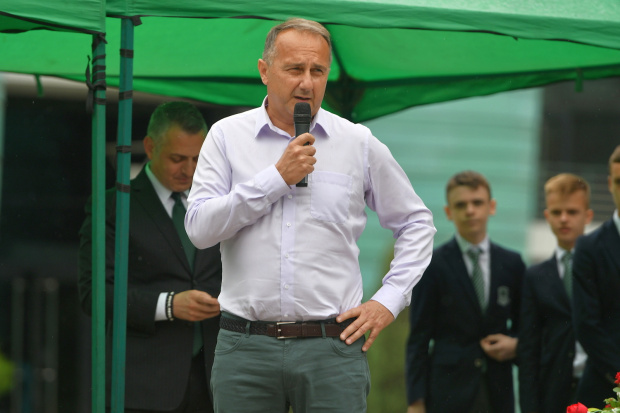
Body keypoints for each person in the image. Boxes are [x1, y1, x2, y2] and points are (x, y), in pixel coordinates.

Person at [184, 18, 436, 413]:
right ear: (265, 71)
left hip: (331, 349)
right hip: (245, 349)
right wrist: (276, 179)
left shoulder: (356, 142)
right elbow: (200, 228)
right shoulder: (226, 136)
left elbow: (416, 223)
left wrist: (387, 301)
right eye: (294, 69)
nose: (307, 82)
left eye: (318, 71)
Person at [78, 101, 222, 413]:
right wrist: (168, 305)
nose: (189, 170)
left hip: (216, 382)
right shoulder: (113, 206)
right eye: (177, 159)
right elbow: (94, 294)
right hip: (143, 385)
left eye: (197, 159)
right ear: (149, 147)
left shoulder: (218, 204)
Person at [405, 170, 525, 413]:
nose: (470, 210)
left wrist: (516, 345)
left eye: (477, 202)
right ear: (449, 212)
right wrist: (416, 401)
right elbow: (419, 338)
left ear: (491, 207)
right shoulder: (432, 265)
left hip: (498, 390)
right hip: (447, 392)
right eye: (461, 205)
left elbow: (526, 324)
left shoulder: (512, 263)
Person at [518, 173, 593, 413]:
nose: (564, 219)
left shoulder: (605, 268)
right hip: (552, 393)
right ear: (547, 216)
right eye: (557, 212)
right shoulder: (535, 276)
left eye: (572, 212)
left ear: (588, 216)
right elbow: (528, 349)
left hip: (599, 389)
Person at [573, 145, 620, 407]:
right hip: (604, 389)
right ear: (610, 184)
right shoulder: (588, 248)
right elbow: (586, 325)